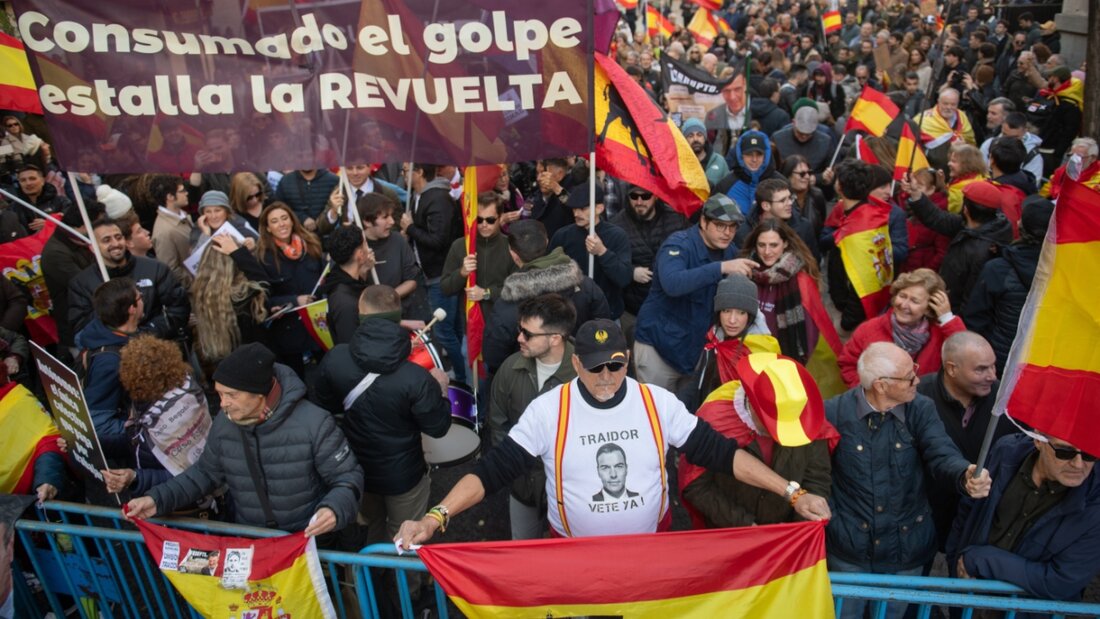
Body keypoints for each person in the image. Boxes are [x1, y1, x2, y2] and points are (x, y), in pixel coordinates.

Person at [395, 320, 830, 547]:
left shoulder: (656, 402)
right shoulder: (549, 410)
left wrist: (793, 493)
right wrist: (436, 517)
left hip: (651, 549)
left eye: (616, 365)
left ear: (627, 362)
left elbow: (722, 454)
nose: (607, 376)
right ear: (577, 364)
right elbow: (492, 472)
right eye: (596, 366)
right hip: (576, 554)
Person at [126, 343, 365, 547]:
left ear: (259, 394)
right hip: (255, 543)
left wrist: (333, 509)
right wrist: (157, 499)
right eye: (219, 395)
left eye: (231, 395)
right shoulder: (224, 424)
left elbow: (347, 479)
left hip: (309, 544)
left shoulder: (315, 423)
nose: (223, 404)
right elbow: (205, 474)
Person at [826, 342, 991, 619]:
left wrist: (965, 474)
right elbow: (817, 473)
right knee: (845, 613)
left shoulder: (921, 408)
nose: (918, 378)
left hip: (907, 548)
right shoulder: (834, 413)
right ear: (881, 385)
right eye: (909, 376)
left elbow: (941, 452)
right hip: (849, 549)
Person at [314, 285, 450, 544]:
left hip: (355, 468)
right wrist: (441, 390)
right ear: (397, 315)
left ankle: (371, 578)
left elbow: (326, 410)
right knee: (406, 537)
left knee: (370, 529)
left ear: (360, 314)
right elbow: (438, 427)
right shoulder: (416, 377)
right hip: (404, 475)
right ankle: (406, 585)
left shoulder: (335, 359)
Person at [680, 353, 837, 528]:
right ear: (753, 402)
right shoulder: (716, 418)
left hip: (788, 537)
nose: (778, 434)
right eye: (773, 423)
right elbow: (696, 484)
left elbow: (817, 478)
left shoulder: (808, 420)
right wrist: (746, 525)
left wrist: (796, 530)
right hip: (729, 534)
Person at [947, 433, 1100, 601]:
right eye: (1065, 451)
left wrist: (980, 560)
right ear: (1038, 440)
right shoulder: (1006, 452)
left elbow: (1062, 581)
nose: (1078, 464)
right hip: (968, 596)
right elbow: (968, 510)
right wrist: (954, 560)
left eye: (1090, 453)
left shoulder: (1094, 505)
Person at [633, 195, 758, 394]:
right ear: (703, 221)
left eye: (733, 227)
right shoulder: (677, 245)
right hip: (658, 348)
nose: (727, 233)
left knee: (687, 416)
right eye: (720, 225)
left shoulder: (730, 251)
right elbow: (673, 283)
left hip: (694, 352)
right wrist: (721, 268)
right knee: (656, 416)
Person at [489, 294, 577, 539]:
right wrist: (513, 470)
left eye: (527, 334)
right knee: (522, 549)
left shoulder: (585, 376)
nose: (519, 338)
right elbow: (497, 424)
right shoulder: (510, 368)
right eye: (520, 329)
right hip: (522, 487)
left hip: (568, 492)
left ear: (555, 338)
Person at [917, 331, 1016, 548]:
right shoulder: (917, 396)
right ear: (952, 368)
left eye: (993, 366)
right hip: (923, 521)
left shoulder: (1007, 400)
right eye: (981, 369)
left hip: (980, 523)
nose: (992, 375)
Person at [481, 220, 610, 373]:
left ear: (513, 254)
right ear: (547, 241)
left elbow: (493, 356)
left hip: (528, 380)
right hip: (579, 373)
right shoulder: (586, 285)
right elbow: (603, 329)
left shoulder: (507, 304)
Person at [103, 335, 212, 506]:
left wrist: (135, 477)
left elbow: (189, 474)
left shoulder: (180, 410)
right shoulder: (146, 405)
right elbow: (133, 442)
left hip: (182, 507)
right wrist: (92, 442)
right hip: (156, 502)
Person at [741, 219, 845, 397]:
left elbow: (811, 331)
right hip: (748, 360)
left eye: (774, 245)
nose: (767, 252)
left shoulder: (801, 281)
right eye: (762, 245)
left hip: (785, 362)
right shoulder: (744, 273)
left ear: (786, 244)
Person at [218, 202, 323, 374]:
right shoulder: (263, 257)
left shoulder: (311, 245)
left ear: (292, 221)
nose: (281, 224)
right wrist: (294, 300)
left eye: (284, 218)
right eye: (274, 221)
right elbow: (264, 297)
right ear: (267, 228)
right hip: (289, 331)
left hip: (317, 323)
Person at [964, 196, 1054, 373]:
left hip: (998, 363)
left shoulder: (998, 269)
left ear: (1020, 226)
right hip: (1041, 365)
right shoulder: (1066, 273)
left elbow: (975, 320)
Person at [68, 220, 191, 345]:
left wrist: (144, 334)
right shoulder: (81, 283)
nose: (115, 244)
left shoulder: (155, 269)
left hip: (162, 347)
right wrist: (110, 312)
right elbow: (81, 328)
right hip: (116, 355)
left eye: (118, 237)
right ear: (92, 247)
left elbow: (178, 309)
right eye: (106, 240)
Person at [838, 269, 967, 387]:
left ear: (929, 308)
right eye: (902, 296)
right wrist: (869, 394)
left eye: (914, 301)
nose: (904, 305)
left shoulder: (939, 336)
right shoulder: (869, 329)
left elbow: (964, 358)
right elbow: (847, 365)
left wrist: (948, 319)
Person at [903, 177, 1014, 311]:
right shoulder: (972, 226)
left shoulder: (981, 252)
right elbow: (938, 218)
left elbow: (972, 298)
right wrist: (916, 194)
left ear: (966, 209)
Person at [401, 162, 466, 382]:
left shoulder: (437, 198)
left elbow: (438, 240)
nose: (403, 174)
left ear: (419, 172)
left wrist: (410, 228)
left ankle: (460, 378)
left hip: (441, 274)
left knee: (445, 333)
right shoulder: (417, 196)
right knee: (453, 329)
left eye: (406, 170)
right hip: (432, 273)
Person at [681, 274, 779, 411]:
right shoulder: (715, 339)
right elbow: (699, 380)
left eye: (741, 312)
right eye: (726, 311)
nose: (732, 320)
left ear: (750, 315)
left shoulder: (760, 350)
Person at [608, 185, 687, 343]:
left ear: (656, 196)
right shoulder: (616, 225)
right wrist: (630, 272)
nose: (639, 201)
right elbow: (608, 264)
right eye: (634, 196)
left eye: (645, 197)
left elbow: (690, 252)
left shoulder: (676, 219)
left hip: (670, 306)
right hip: (633, 308)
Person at [548, 185, 632, 320]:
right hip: (569, 315)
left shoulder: (617, 236)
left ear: (599, 208)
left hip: (606, 315)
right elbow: (549, 275)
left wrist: (602, 252)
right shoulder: (562, 236)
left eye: (582, 208)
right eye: (574, 209)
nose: (576, 214)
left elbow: (624, 277)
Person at [190, 243, 269, 373]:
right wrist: (239, 253)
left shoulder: (203, 294)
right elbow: (264, 283)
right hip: (256, 361)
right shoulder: (242, 293)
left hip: (226, 362)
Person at [440, 192, 514, 329]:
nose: (484, 224)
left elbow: (519, 288)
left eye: (490, 220)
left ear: (500, 218)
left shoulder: (511, 246)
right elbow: (445, 287)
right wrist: (462, 273)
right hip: (471, 326)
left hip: (504, 325)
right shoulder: (460, 245)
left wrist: (487, 293)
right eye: (479, 220)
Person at [41, 203, 103, 353]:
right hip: (79, 326)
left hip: (97, 318)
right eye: (99, 224)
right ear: (83, 226)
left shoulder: (81, 241)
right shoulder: (56, 254)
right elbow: (86, 285)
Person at [317, 225, 375, 346]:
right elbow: (352, 346)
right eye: (365, 244)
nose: (368, 249)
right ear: (360, 254)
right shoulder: (345, 303)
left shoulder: (339, 277)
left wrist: (363, 270)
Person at [734, 178, 817, 258]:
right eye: (782, 200)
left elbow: (813, 263)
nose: (790, 203)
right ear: (766, 206)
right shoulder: (744, 233)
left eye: (790, 198)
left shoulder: (804, 227)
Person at [715, 131, 787, 217]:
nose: (754, 159)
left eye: (759, 155)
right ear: (741, 156)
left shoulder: (781, 183)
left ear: (765, 156)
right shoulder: (726, 185)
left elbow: (795, 221)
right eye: (749, 154)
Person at [149, 176, 196, 288]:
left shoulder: (182, 215)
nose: (187, 193)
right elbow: (171, 269)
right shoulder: (163, 232)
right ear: (170, 197)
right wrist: (195, 283)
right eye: (182, 191)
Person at [919, 89, 976, 171]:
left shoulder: (962, 117)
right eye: (945, 103)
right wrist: (948, 146)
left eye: (953, 104)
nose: (949, 107)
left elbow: (971, 142)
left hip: (959, 170)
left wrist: (964, 146)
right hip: (931, 169)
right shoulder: (923, 119)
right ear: (938, 101)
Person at [273, 169, 339, 232]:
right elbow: (278, 208)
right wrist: (302, 218)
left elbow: (339, 209)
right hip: (296, 236)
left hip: (327, 236)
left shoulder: (333, 180)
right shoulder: (286, 181)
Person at [11, 165, 70, 232]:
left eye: (32, 178)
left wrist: (51, 225)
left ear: (42, 180)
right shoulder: (14, 208)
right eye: (23, 180)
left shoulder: (62, 202)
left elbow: (73, 227)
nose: (28, 183)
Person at [780, 155, 827, 237]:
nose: (807, 177)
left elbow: (822, 226)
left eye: (809, 173)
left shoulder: (817, 195)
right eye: (802, 174)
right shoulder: (779, 198)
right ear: (788, 175)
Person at [681, 118, 729, 186]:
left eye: (699, 135)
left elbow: (729, 189)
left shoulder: (719, 161)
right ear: (685, 140)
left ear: (705, 138)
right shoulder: (679, 164)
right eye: (690, 136)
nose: (695, 139)